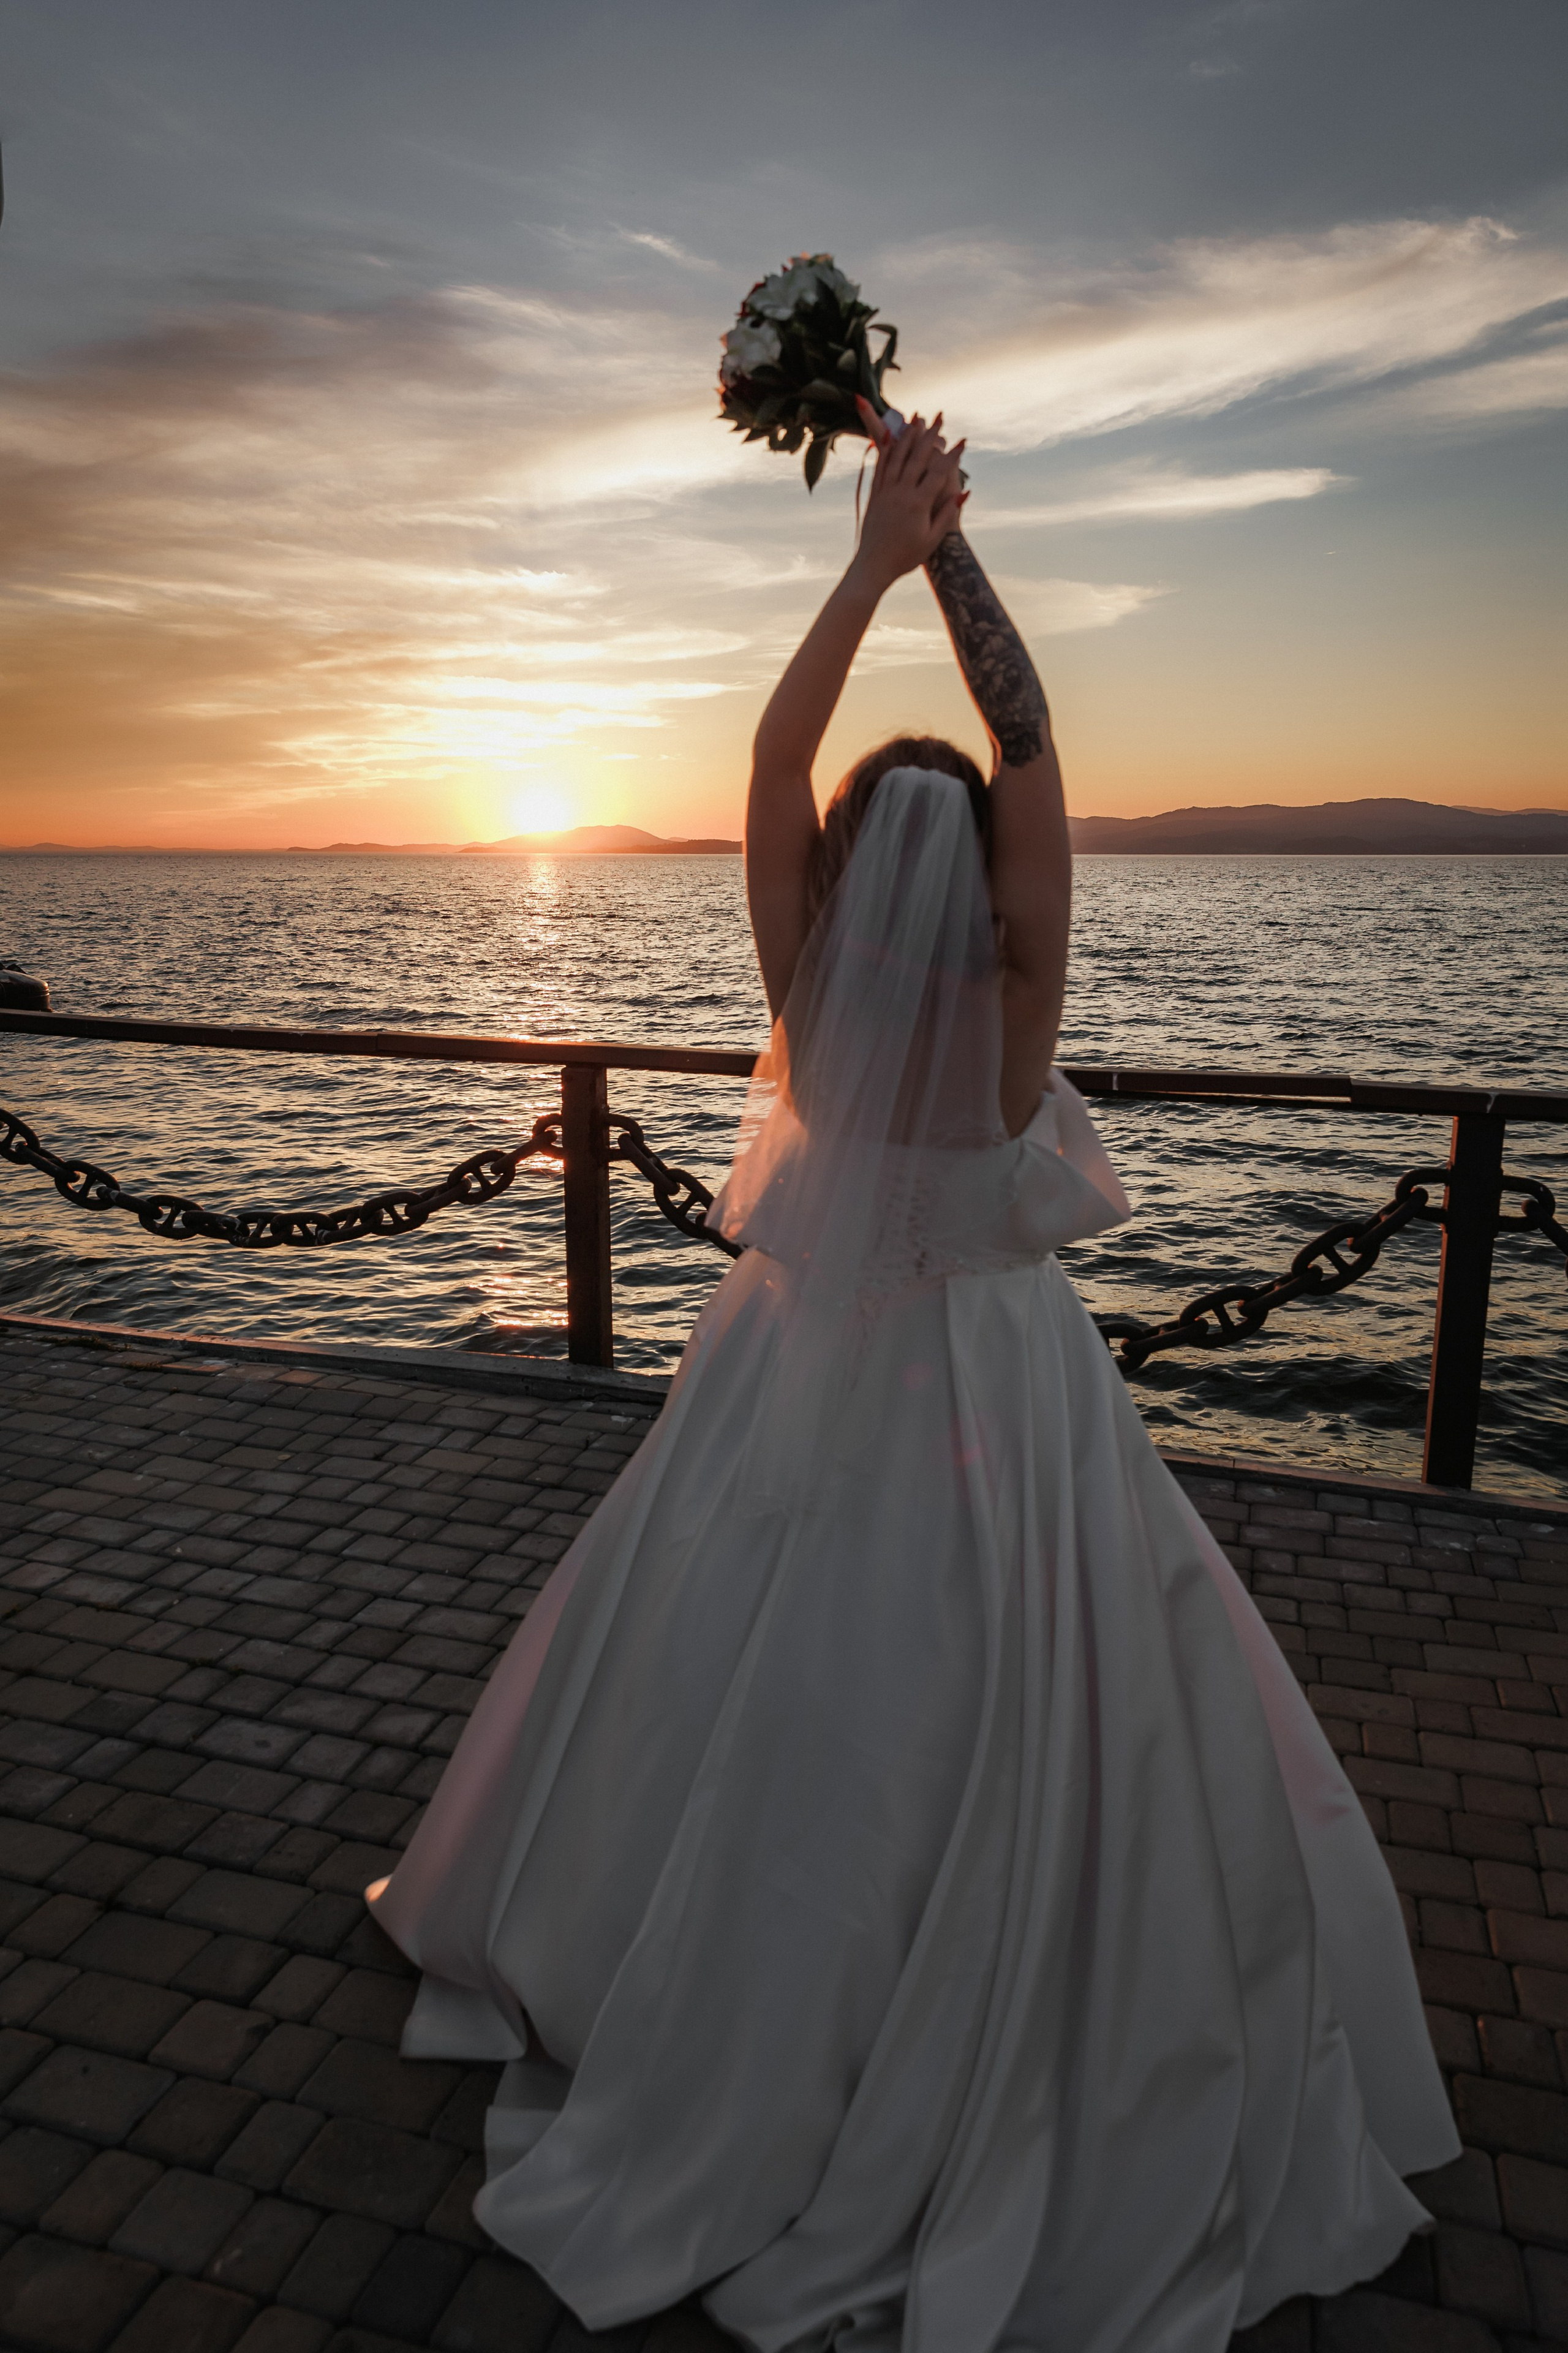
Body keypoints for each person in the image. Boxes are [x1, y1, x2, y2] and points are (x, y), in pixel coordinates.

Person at [369, 409, 1459, 2352]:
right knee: (1045, 1688)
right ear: (974, 878)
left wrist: (868, 559)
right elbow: (1032, 747)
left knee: (738, 1683)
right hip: (1005, 1387)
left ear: (847, 871)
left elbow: (778, 757)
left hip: (795, 1364)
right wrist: (952, 551)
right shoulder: (1022, 983)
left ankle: (694, 2002)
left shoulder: (803, 978)